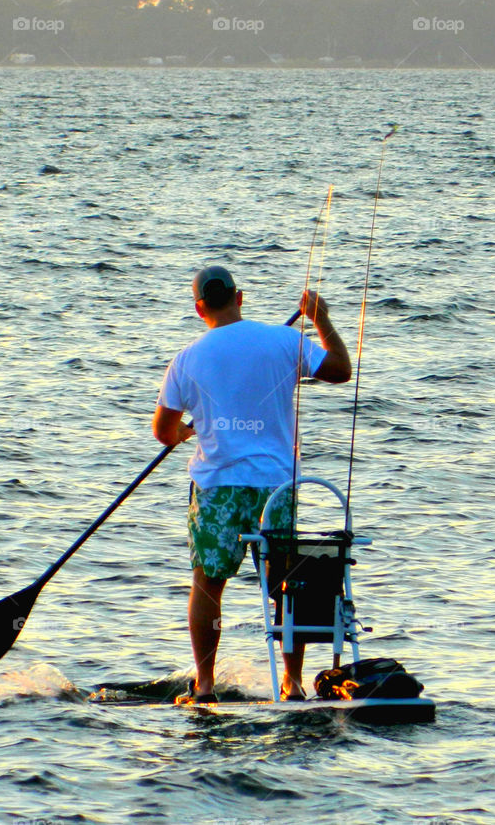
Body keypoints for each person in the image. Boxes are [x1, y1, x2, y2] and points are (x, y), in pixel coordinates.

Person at [151, 265, 351, 702]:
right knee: (286, 583)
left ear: (199, 306)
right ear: (239, 298)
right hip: (275, 486)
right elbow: (339, 370)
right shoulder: (283, 341)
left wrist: (188, 431)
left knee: (207, 583)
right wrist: (320, 318)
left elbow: (164, 433)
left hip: (217, 487)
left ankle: (204, 687)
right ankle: (292, 682)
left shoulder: (187, 358)